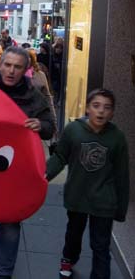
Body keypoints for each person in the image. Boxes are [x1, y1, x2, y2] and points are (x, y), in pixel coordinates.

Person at [0, 46, 54, 279]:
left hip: (16, 174)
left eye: (17, 67)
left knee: (10, 223)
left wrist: (40, 125)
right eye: (7, 65)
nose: (11, 71)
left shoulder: (35, 95)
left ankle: (4, 272)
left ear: (26, 69)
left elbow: (50, 126)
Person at [46, 89, 129, 279]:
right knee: (74, 233)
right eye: (96, 106)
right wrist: (45, 174)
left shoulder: (117, 138)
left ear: (113, 112)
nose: (101, 112)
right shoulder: (73, 130)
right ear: (87, 108)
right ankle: (68, 258)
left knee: (100, 244)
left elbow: (122, 175)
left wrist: (121, 209)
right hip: (78, 194)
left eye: (107, 108)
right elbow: (60, 156)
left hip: (103, 200)